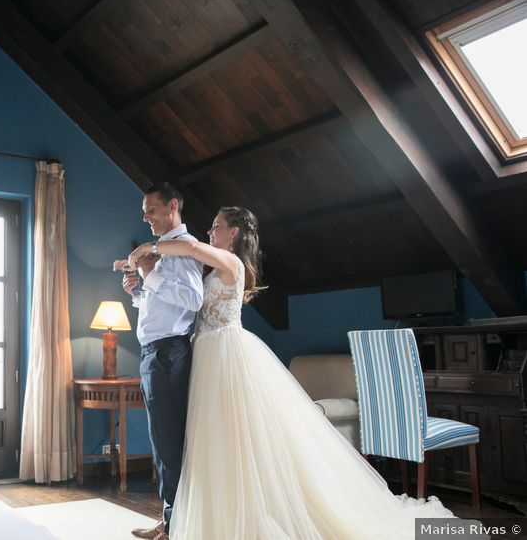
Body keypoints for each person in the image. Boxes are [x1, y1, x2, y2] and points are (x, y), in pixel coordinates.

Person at [122, 206, 455, 539]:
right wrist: (141, 286)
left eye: (216, 226)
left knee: (231, 437)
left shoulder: (232, 263)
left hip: (225, 355)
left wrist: (148, 248)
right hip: (206, 353)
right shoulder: (212, 269)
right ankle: (199, 517)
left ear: (234, 232)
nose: (210, 232)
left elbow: (192, 247)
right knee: (208, 439)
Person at [116, 183, 203, 540]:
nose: (145, 216)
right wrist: (139, 292)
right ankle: (172, 520)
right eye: (144, 211)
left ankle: (174, 525)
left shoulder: (183, 249)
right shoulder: (162, 252)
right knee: (162, 441)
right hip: (156, 353)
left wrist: (151, 275)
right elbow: (164, 306)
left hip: (168, 354)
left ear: (172, 207)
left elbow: (193, 299)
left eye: (151, 209)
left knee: (168, 442)